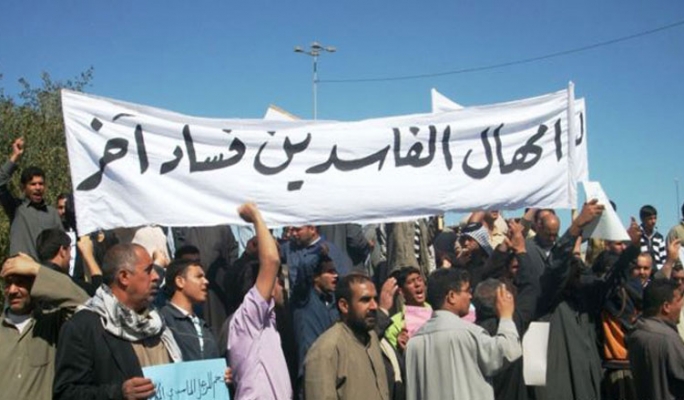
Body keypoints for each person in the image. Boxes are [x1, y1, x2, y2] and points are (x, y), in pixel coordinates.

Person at [53, 243, 181, 400]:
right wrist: (118, 394)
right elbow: (66, 394)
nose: (156, 276)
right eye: (148, 270)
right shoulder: (83, 327)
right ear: (124, 277)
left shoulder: (158, 323)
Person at [405, 268, 521, 400]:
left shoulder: (413, 343)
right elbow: (507, 351)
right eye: (466, 291)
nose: (470, 296)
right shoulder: (469, 334)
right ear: (451, 296)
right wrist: (506, 317)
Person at [0, 253, 88, 400]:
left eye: (20, 282)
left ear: (34, 283)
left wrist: (36, 269)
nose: (13, 290)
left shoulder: (52, 323)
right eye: (8, 284)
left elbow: (85, 304)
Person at [227, 203, 292, 399]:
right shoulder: (248, 318)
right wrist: (256, 217)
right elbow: (271, 261)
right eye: (278, 281)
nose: (282, 287)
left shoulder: (268, 321)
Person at [305, 272, 390, 400]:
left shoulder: (372, 339)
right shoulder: (326, 351)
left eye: (375, 299)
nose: (374, 306)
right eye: (365, 300)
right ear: (344, 306)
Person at [0, 137, 63, 259]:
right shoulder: (17, 209)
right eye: (33, 184)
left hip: (45, 270)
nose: (38, 187)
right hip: (21, 269)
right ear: (24, 187)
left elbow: (61, 245)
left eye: (41, 184)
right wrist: (15, 156)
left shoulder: (52, 214)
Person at [627, 279, 684, 400]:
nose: (681, 305)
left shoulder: (637, 333)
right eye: (678, 301)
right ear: (666, 306)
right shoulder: (668, 339)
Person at [292, 250, 339, 382]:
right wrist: (318, 252)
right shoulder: (303, 299)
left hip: (329, 369)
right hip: (309, 373)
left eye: (335, 271)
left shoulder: (331, 303)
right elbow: (304, 266)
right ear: (315, 277)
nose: (335, 276)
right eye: (329, 272)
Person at [36, 227, 103, 296]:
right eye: (69, 251)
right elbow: (101, 296)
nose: (70, 257)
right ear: (63, 251)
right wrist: (88, 255)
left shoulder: (35, 282)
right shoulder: (69, 284)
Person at [383, 266, 430, 350]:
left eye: (419, 280)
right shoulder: (394, 324)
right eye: (410, 282)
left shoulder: (436, 313)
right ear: (401, 291)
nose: (417, 284)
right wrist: (399, 347)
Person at [639, 205, 667, 271]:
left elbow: (663, 257)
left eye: (655, 218)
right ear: (643, 219)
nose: (653, 221)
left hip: (657, 272)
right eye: (650, 219)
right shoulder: (638, 236)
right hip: (642, 271)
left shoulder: (659, 237)